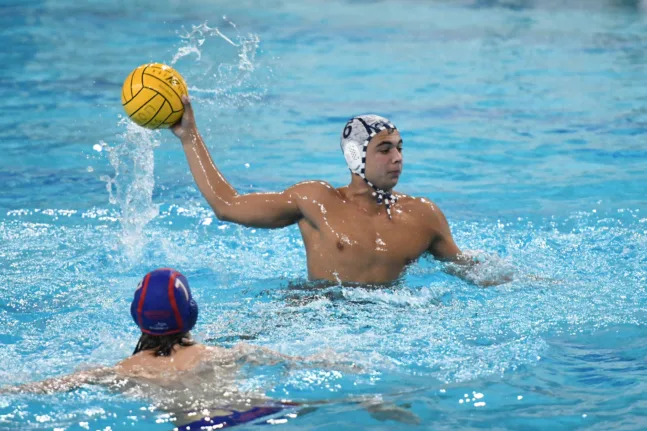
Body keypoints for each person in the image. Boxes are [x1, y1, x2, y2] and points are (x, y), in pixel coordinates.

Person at [0, 268, 419, 428]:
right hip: (259, 411)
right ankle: (367, 402)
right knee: (323, 406)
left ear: (137, 317)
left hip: (196, 425)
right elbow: (296, 360)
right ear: (192, 314)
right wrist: (333, 363)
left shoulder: (125, 370)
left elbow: (54, 385)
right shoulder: (223, 353)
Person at [171, 97, 509, 286]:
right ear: (355, 156)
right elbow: (226, 205)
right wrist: (190, 136)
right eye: (385, 149)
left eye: (400, 148)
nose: (397, 158)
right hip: (315, 314)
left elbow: (467, 269)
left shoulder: (423, 216)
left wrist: (518, 279)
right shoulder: (316, 200)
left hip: (388, 320)